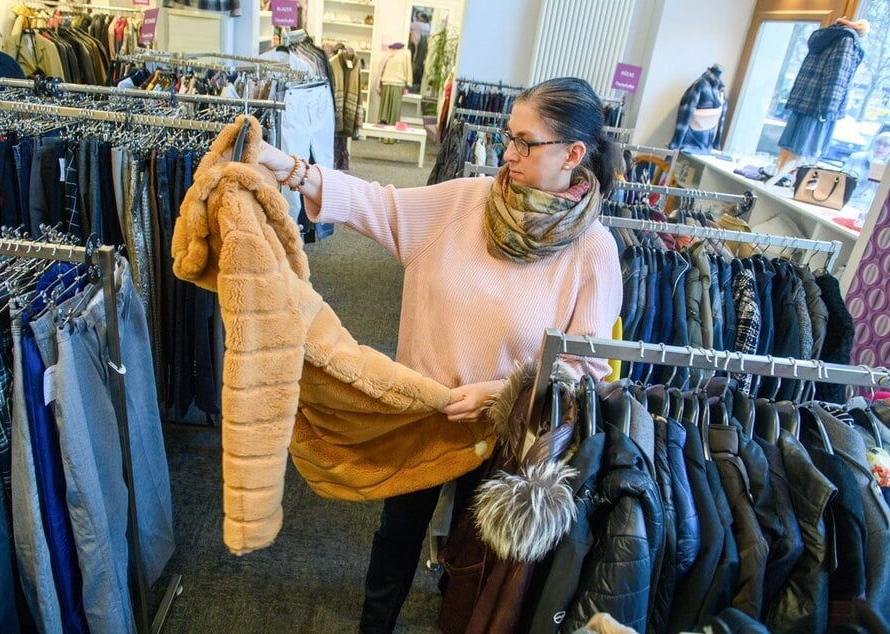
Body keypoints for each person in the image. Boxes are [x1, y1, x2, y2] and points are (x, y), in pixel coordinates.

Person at [256, 76, 623, 633]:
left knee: (473, 558)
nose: (508, 153)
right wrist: (289, 169)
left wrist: (502, 395)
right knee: (397, 536)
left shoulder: (594, 250)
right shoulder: (468, 200)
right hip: (423, 411)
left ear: (573, 154)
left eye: (526, 142)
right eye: (509, 137)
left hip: (506, 430)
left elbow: (586, 369)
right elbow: (379, 204)